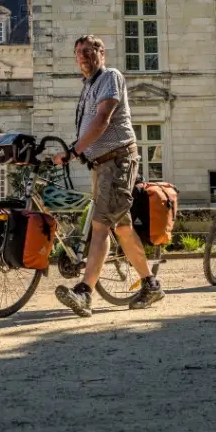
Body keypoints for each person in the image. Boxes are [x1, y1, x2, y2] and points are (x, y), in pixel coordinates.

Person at [52, 34, 164, 316]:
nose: (83, 56)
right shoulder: (88, 86)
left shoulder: (110, 76)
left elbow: (102, 121)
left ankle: (85, 292)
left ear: (101, 53)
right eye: (78, 52)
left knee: (100, 227)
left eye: (89, 51)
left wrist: (74, 151)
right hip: (102, 164)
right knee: (122, 228)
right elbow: (89, 125)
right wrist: (74, 151)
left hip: (117, 160)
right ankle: (151, 284)